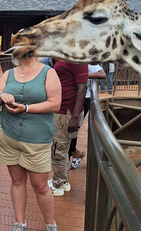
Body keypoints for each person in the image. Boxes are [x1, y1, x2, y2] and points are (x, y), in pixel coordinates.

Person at [0, 51, 61, 231]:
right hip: (8, 135)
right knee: (17, 181)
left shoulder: (48, 72)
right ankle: (19, 223)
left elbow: (55, 103)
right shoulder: (8, 74)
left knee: (40, 185)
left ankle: (51, 224)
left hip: (36, 138)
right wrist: (1, 96)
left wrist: (26, 108)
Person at [49, 60, 88, 196]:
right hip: (63, 109)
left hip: (67, 111)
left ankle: (57, 184)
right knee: (63, 148)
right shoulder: (66, 56)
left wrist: (75, 116)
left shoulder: (77, 58)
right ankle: (63, 180)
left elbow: (82, 87)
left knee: (57, 149)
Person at [69, 64, 106, 170]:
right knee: (69, 129)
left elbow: (102, 74)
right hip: (72, 97)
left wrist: (84, 75)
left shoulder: (87, 62)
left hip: (84, 98)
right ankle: (73, 153)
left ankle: (75, 153)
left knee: (72, 127)